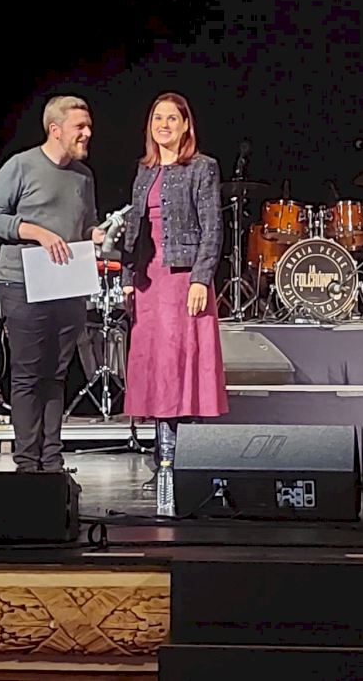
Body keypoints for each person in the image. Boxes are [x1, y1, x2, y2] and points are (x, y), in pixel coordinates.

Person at [0, 95, 105, 473]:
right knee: (28, 374)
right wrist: (36, 232)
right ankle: (27, 465)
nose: (87, 133)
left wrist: (98, 234)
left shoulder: (84, 176)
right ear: (55, 130)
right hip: (22, 282)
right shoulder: (22, 166)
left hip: (67, 283)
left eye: (89, 126)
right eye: (79, 126)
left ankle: (51, 463)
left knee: (56, 374)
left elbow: (85, 224)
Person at [121, 92, 228, 513]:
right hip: (149, 283)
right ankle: (161, 461)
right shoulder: (144, 171)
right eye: (157, 118)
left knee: (181, 370)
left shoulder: (202, 167)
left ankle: (183, 462)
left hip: (184, 279)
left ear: (186, 125)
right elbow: (134, 230)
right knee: (156, 370)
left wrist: (201, 277)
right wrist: (127, 279)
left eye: (171, 118)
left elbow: (212, 228)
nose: (163, 125)